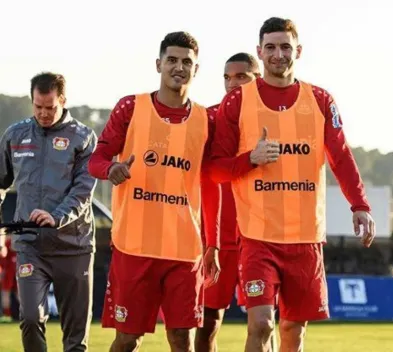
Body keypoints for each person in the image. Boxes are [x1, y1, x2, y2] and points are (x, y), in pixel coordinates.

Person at [210, 17, 376, 351]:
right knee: (260, 324)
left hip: (305, 237)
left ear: (298, 51)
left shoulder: (320, 99)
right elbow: (215, 170)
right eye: (270, 47)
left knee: (293, 331)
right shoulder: (237, 101)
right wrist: (250, 159)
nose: (278, 54)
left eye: (285, 47)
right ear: (260, 52)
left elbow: (340, 156)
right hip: (258, 237)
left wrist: (359, 206)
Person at [88, 31, 220, 352]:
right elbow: (97, 159)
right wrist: (112, 170)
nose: (179, 67)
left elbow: (214, 182)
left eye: (186, 62)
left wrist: (212, 244)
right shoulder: (131, 107)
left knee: (182, 340)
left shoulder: (207, 119)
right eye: (172, 60)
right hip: (135, 247)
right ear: (158, 63)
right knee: (128, 340)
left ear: (196, 69)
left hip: (184, 250)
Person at [0, 72, 97, 351]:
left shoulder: (84, 138)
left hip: (74, 247)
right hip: (31, 246)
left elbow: (82, 192)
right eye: (38, 106)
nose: (43, 113)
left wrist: (56, 217)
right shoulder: (15, 135)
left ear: (63, 101)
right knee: (30, 318)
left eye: (50, 107)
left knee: (75, 337)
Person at [195, 53, 261, 352]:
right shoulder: (208, 117)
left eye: (241, 77)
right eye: (227, 77)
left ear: (257, 79)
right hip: (219, 237)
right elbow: (209, 173)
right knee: (208, 322)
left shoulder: (274, 119)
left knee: (264, 322)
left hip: (260, 236)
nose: (232, 84)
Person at [0, 235, 17, 323]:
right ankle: (26, 314)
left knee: (5, 293)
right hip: (19, 267)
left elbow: (3, 254)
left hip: (8, 269)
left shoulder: (6, 241)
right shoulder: (21, 238)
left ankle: (7, 315)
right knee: (20, 294)